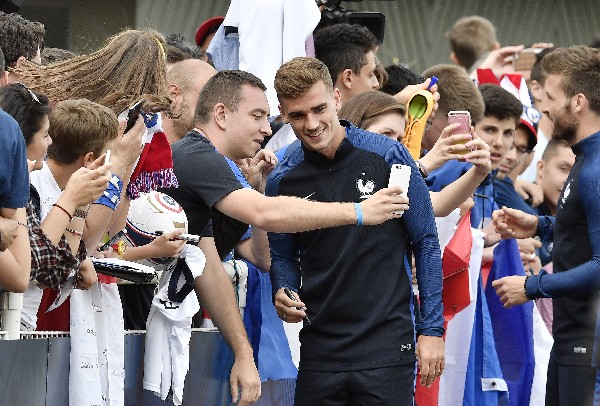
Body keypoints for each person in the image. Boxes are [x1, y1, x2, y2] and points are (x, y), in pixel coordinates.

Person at [161, 68, 407, 405]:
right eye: (258, 115)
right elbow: (265, 213)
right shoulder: (197, 156)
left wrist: (243, 353)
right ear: (220, 114)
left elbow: (223, 267)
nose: (267, 128)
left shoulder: (207, 162)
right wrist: (359, 211)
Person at [266, 56, 444, 405]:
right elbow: (282, 255)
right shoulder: (283, 178)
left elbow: (425, 241)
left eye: (319, 109)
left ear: (336, 98)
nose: (312, 123)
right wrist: (283, 289)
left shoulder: (389, 155)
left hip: (387, 347)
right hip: (320, 351)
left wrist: (432, 329)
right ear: (283, 114)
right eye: (298, 115)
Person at [491, 46, 600, 406]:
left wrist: (533, 285)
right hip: (572, 341)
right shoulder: (584, 159)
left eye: (551, 97)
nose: (544, 108)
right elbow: (584, 230)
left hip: (588, 347)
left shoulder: (596, 168)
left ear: (578, 101)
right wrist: (539, 225)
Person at [339, 90, 491, 217]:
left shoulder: (391, 181)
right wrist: (425, 164)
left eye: (399, 139)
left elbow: (440, 204)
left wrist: (479, 171)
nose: (395, 145)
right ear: (355, 130)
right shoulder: (334, 174)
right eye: (386, 134)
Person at [163, 58, 216, 143]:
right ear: (173, 94)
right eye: (205, 100)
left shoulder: (210, 153)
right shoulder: (140, 146)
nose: (213, 114)